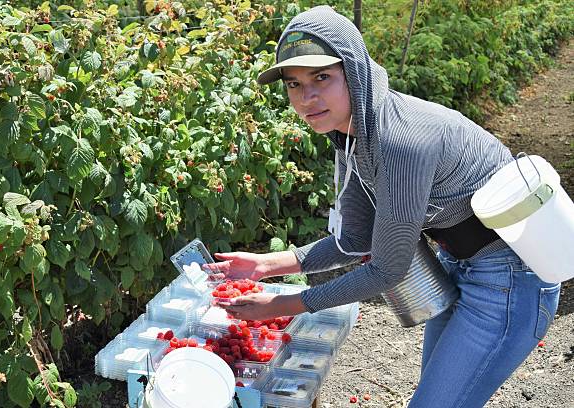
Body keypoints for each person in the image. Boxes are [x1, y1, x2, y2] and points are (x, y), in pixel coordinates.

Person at [204, 6, 561, 407]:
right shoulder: (353, 134)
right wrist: (267, 265)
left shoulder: (400, 140)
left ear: (354, 71)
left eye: (322, 77)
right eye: (293, 84)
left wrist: (285, 304)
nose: (307, 97)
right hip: (461, 263)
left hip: (510, 277)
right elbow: (353, 240)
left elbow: (387, 268)